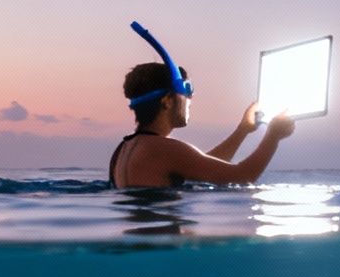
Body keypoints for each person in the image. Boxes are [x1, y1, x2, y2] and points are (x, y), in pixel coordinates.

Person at [108, 61, 296, 188]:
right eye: (187, 90)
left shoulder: (125, 149)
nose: (191, 98)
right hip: (162, 244)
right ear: (167, 101)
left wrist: (242, 130)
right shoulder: (165, 149)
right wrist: (273, 136)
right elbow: (243, 177)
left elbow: (200, 165)